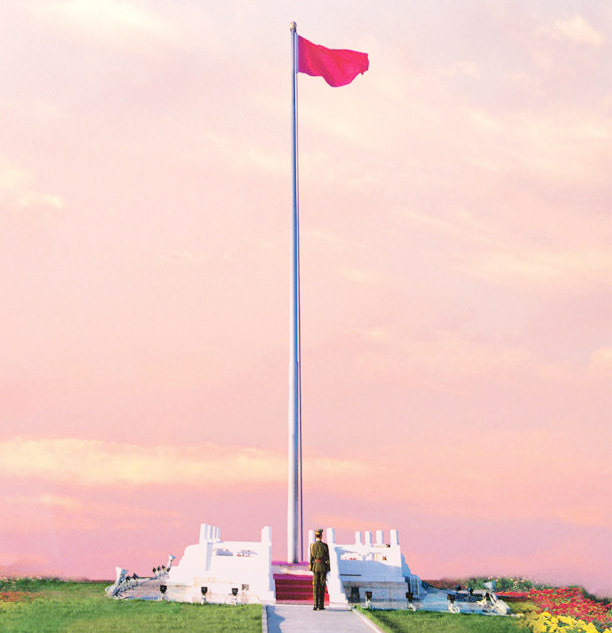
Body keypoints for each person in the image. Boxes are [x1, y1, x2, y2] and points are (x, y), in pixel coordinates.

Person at [309, 529, 330, 610]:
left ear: (315, 536)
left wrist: (311, 567)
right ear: (321, 536)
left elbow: (311, 558)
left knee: (315, 586)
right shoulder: (325, 546)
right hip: (323, 567)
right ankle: (321, 605)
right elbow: (328, 558)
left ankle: (315, 604)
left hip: (315, 567)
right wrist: (328, 568)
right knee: (322, 586)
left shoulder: (312, 546)